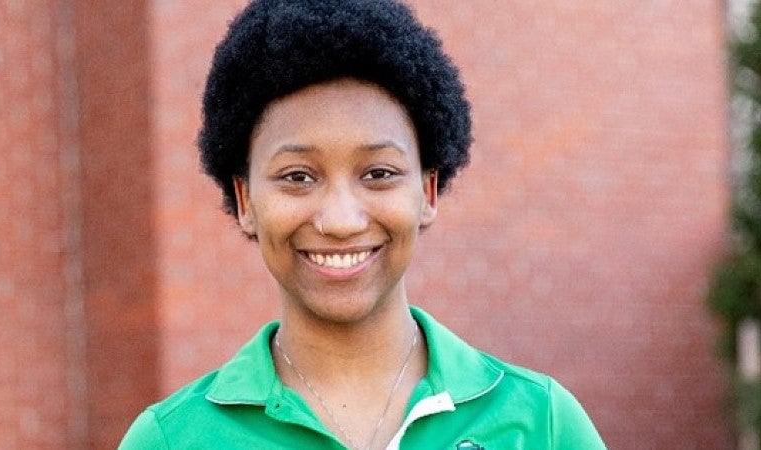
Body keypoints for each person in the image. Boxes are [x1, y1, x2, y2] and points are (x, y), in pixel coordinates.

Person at [118, 0, 607, 448]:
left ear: (428, 191)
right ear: (246, 199)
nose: (341, 220)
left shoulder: (541, 422)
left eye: (378, 173)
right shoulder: (171, 438)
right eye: (297, 176)